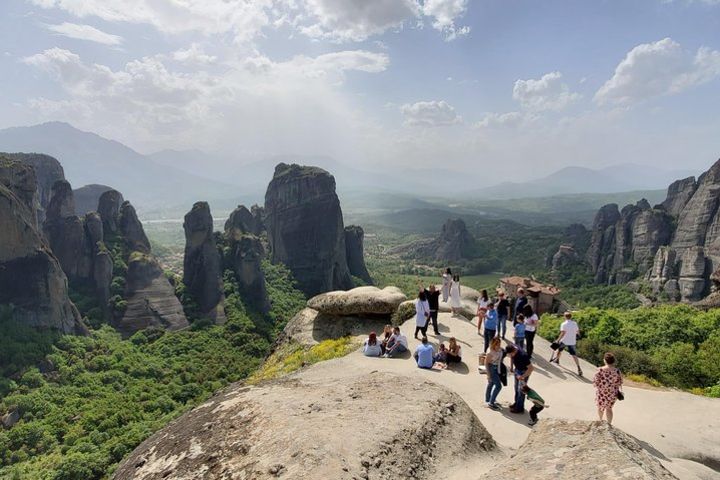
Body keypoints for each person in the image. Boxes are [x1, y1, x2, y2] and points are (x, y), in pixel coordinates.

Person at [593, 352, 623, 425]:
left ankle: (600, 420)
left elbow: (595, 382)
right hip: (612, 393)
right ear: (613, 361)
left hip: (601, 392)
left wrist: (601, 386)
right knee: (609, 408)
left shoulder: (600, 370)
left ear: (605, 360)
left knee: (600, 407)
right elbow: (620, 382)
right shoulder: (617, 371)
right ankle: (609, 424)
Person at [505, 344, 533, 414]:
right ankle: (516, 403)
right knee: (516, 389)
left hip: (524, 372)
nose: (511, 355)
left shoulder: (523, 356)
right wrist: (511, 367)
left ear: (514, 350)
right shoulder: (512, 347)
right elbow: (511, 357)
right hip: (517, 370)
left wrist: (522, 376)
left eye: (512, 353)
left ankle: (519, 408)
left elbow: (531, 368)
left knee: (521, 391)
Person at [554, 312, 583, 376]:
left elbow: (563, 333)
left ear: (565, 316)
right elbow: (578, 332)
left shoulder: (563, 324)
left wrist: (558, 340)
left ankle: (557, 360)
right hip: (572, 341)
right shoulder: (575, 323)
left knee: (559, 350)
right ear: (571, 317)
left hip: (564, 341)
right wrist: (578, 336)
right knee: (574, 355)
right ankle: (579, 368)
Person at [484, 337, 504, 410]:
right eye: (497, 344)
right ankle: (491, 403)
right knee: (498, 386)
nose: (498, 346)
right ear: (493, 345)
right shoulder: (490, 352)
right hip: (492, 368)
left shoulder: (499, 349)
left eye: (499, 344)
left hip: (497, 368)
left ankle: (488, 399)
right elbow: (486, 363)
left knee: (491, 384)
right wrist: (488, 375)